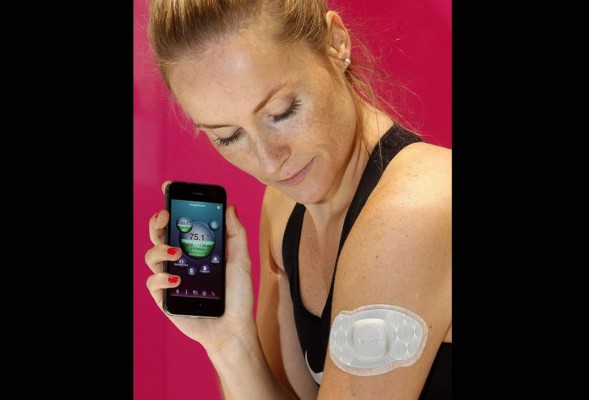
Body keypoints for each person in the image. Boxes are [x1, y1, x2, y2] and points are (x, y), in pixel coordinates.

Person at [143, 0, 451, 398]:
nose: (270, 162)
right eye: (228, 137)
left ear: (336, 43)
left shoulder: (413, 211)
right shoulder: (285, 206)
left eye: (283, 111)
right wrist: (229, 341)